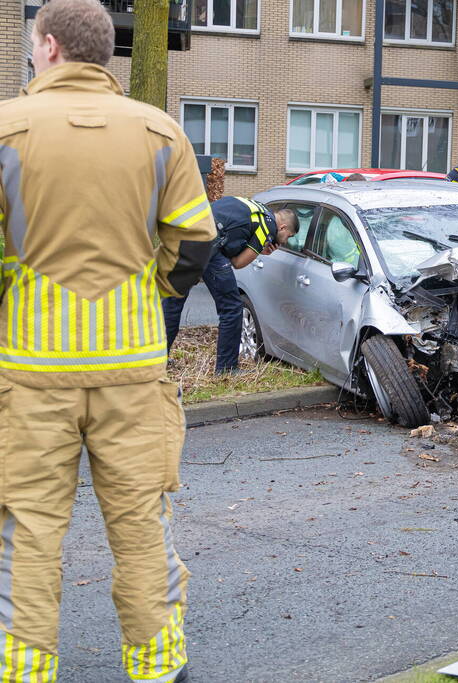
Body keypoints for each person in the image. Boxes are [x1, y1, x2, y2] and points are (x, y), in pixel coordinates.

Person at [0, 0, 217, 680]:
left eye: (34, 44)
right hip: (132, 369)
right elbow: (195, 239)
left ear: (50, 48)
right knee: (142, 524)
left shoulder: (6, 129)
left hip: (31, 369)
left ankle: (22, 669)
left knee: (27, 531)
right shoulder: (160, 132)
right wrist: (149, 294)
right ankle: (159, 668)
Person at [162, 197, 297, 373]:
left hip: (188, 231)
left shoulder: (256, 207)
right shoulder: (268, 227)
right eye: (289, 236)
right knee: (232, 307)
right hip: (207, 243)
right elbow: (238, 262)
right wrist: (260, 250)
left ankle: (156, 359)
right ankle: (226, 367)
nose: (285, 241)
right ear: (283, 227)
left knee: (173, 301)